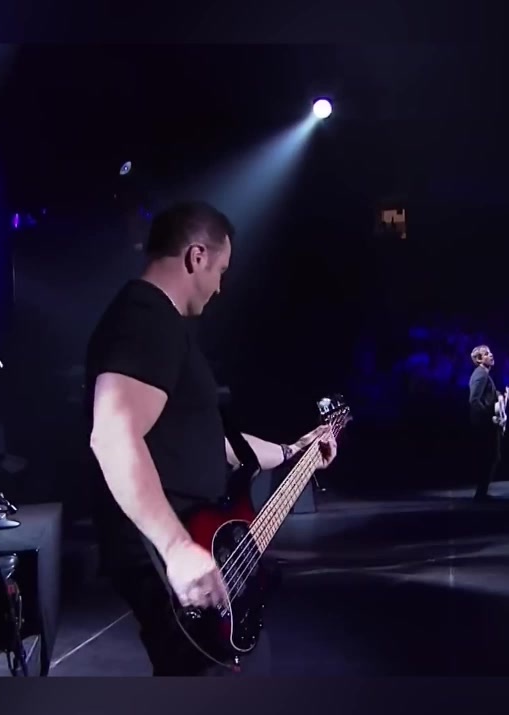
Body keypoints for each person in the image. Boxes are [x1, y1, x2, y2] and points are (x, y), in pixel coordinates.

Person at [85, 201, 337, 676]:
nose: (220, 286)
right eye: (220, 270)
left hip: (204, 538)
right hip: (170, 547)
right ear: (196, 256)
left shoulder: (165, 327)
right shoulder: (145, 317)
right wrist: (177, 548)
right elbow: (113, 434)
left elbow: (216, 443)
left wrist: (295, 451)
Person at [467, 345, 509, 501]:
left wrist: (501, 397)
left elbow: (488, 394)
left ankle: (482, 492)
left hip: (486, 423)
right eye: (486, 354)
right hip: (484, 424)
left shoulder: (484, 375)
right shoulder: (481, 375)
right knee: (489, 457)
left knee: (491, 456)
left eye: (490, 353)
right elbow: (474, 400)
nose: (491, 355)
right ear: (479, 359)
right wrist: (489, 417)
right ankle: (481, 493)